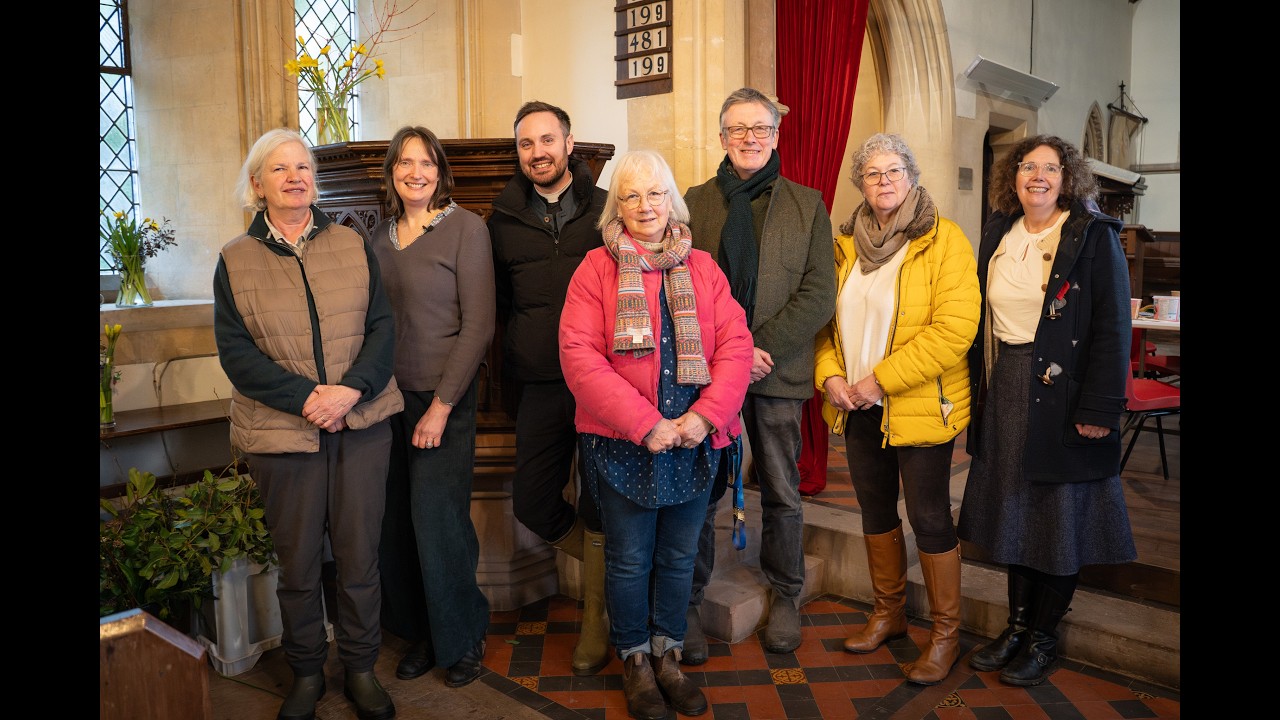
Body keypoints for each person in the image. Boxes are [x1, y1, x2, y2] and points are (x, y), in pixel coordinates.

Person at [213, 128, 404, 720]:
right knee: (296, 563)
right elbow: (237, 356)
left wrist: (350, 391)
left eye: (304, 166)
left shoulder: (351, 242)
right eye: (280, 169)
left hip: (361, 423)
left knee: (358, 558)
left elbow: (382, 326)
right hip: (282, 435)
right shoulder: (235, 260)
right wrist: (307, 399)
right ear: (257, 185)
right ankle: (304, 673)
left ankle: (361, 669)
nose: (297, 177)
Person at [559, 150, 754, 720]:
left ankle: (668, 652)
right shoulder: (594, 269)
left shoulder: (703, 268)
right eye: (632, 196)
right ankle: (636, 660)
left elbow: (736, 347)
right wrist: (645, 425)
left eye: (656, 193)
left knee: (678, 555)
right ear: (616, 207)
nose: (646, 206)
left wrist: (705, 416)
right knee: (626, 559)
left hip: (693, 440)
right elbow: (580, 358)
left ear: (673, 200)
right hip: (624, 442)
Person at [957, 135, 1136, 687]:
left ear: (1068, 178)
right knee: (1018, 513)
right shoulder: (998, 230)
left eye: (1050, 168)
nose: (1038, 176)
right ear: (1012, 176)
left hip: (1068, 391)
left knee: (1059, 517)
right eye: (1027, 166)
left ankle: (1043, 637)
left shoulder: (1092, 235)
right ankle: (1015, 626)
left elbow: (1113, 327)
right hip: (1008, 385)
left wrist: (1101, 408)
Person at [813, 133, 980, 685]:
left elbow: (954, 331)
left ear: (911, 176)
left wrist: (878, 383)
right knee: (875, 513)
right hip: (855, 406)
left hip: (920, 406)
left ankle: (945, 635)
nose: (883, 182)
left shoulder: (943, 239)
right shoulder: (843, 245)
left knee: (929, 518)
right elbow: (825, 325)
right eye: (872, 174)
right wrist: (831, 376)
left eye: (893, 172)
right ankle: (889, 615)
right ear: (859, 183)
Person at [681, 87, 836, 660]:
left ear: (776, 135)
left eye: (760, 129)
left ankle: (786, 593)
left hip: (777, 367)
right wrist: (730, 354)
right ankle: (689, 599)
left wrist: (756, 348)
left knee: (780, 487)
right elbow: (682, 287)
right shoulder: (694, 202)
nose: (749, 138)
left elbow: (819, 291)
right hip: (706, 372)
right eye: (737, 129)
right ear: (721, 137)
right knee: (699, 488)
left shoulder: (807, 203)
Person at [488, 101, 611, 675]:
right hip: (540, 382)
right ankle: (609, 567)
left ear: (568, 143)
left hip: (605, 385)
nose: (536, 152)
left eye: (546, 140)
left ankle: (595, 624)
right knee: (534, 501)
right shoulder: (503, 218)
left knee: (600, 501)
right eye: (525, 144)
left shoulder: (607, 212)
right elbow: (503, 304)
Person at [371, 126, 495, 689]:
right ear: (392, 173)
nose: (415, 173)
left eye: (425, 163)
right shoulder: (380, 237)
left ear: (441, 171)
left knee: (438, 524)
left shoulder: (467, 229)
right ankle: (422, 632)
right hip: (385, 403)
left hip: (442, 397)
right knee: (396, 524)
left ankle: (463, 636)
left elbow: (480, 325)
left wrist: (442, 406)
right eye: (404, 163)